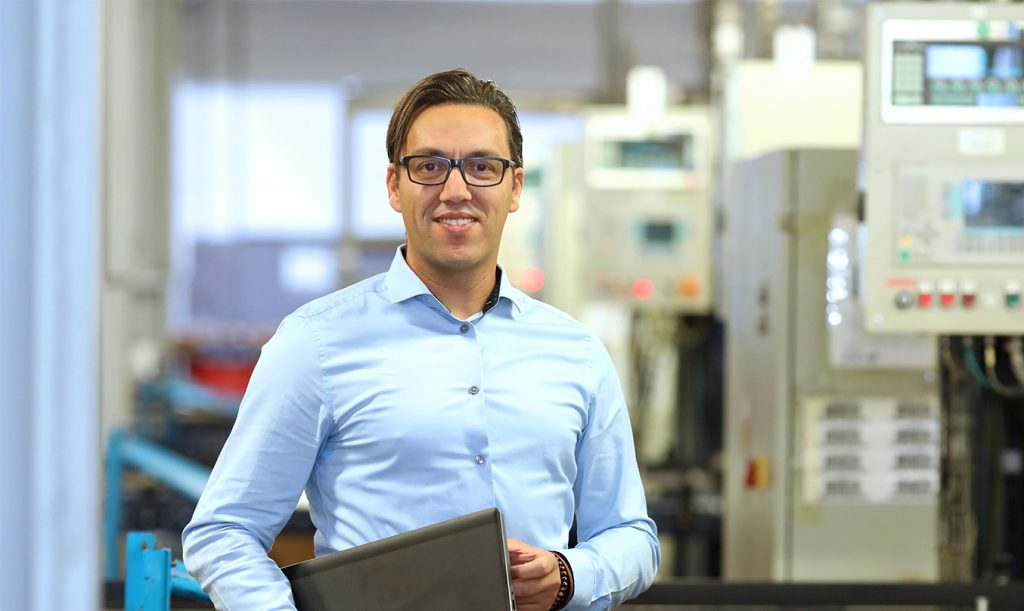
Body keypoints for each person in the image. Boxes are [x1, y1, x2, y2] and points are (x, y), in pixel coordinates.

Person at [182, 68, 659, 610]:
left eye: (482, 167)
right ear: (394, 185)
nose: (455, 190)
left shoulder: (577, 353)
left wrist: (571, 574)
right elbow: (224, 532)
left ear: (516, 187)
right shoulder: (314, 345)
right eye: (430, 166)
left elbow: (632, 536)